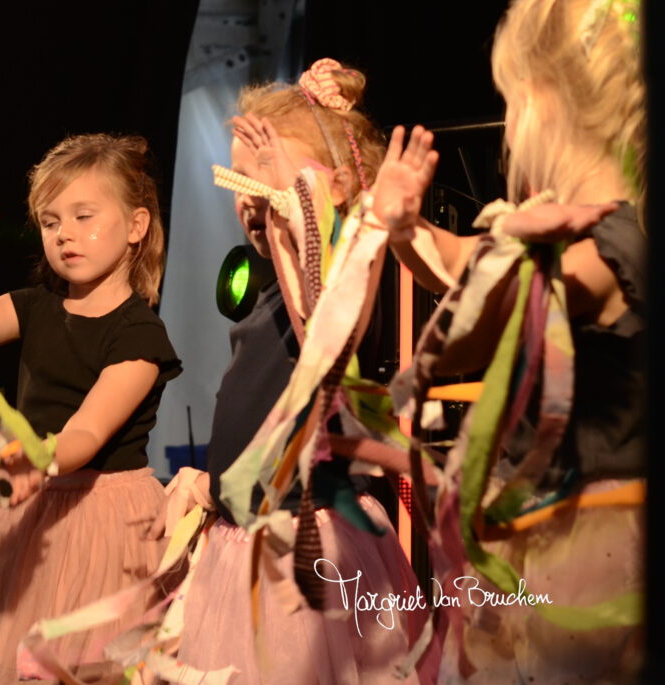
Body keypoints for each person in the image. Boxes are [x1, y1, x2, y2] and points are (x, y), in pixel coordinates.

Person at [373, 0, 646, 680]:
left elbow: (497, 306)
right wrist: (405, 229)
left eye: (511, 101)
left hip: (593, 535)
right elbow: (462, 264)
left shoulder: (621, 238)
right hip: (533, 528)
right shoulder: (554, 236)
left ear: (544, 102)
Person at [161, 59, 435, 684]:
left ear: (336, 188)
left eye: (266, 172)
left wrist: (305, 217)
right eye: (239, 181)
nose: (248, 197)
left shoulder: (344, 278)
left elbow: (324, 332)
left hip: (309, 543)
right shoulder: (264, 296)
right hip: (244, 541)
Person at [0, 133, 182, 683]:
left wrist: (35, 457)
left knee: (85, 665)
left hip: (104, 523)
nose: (65, 233)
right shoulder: (36, 307)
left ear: (136, 226)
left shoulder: (139, 335)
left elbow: (86, 433)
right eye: (50, 221)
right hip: (33, 513)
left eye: (84, 216)